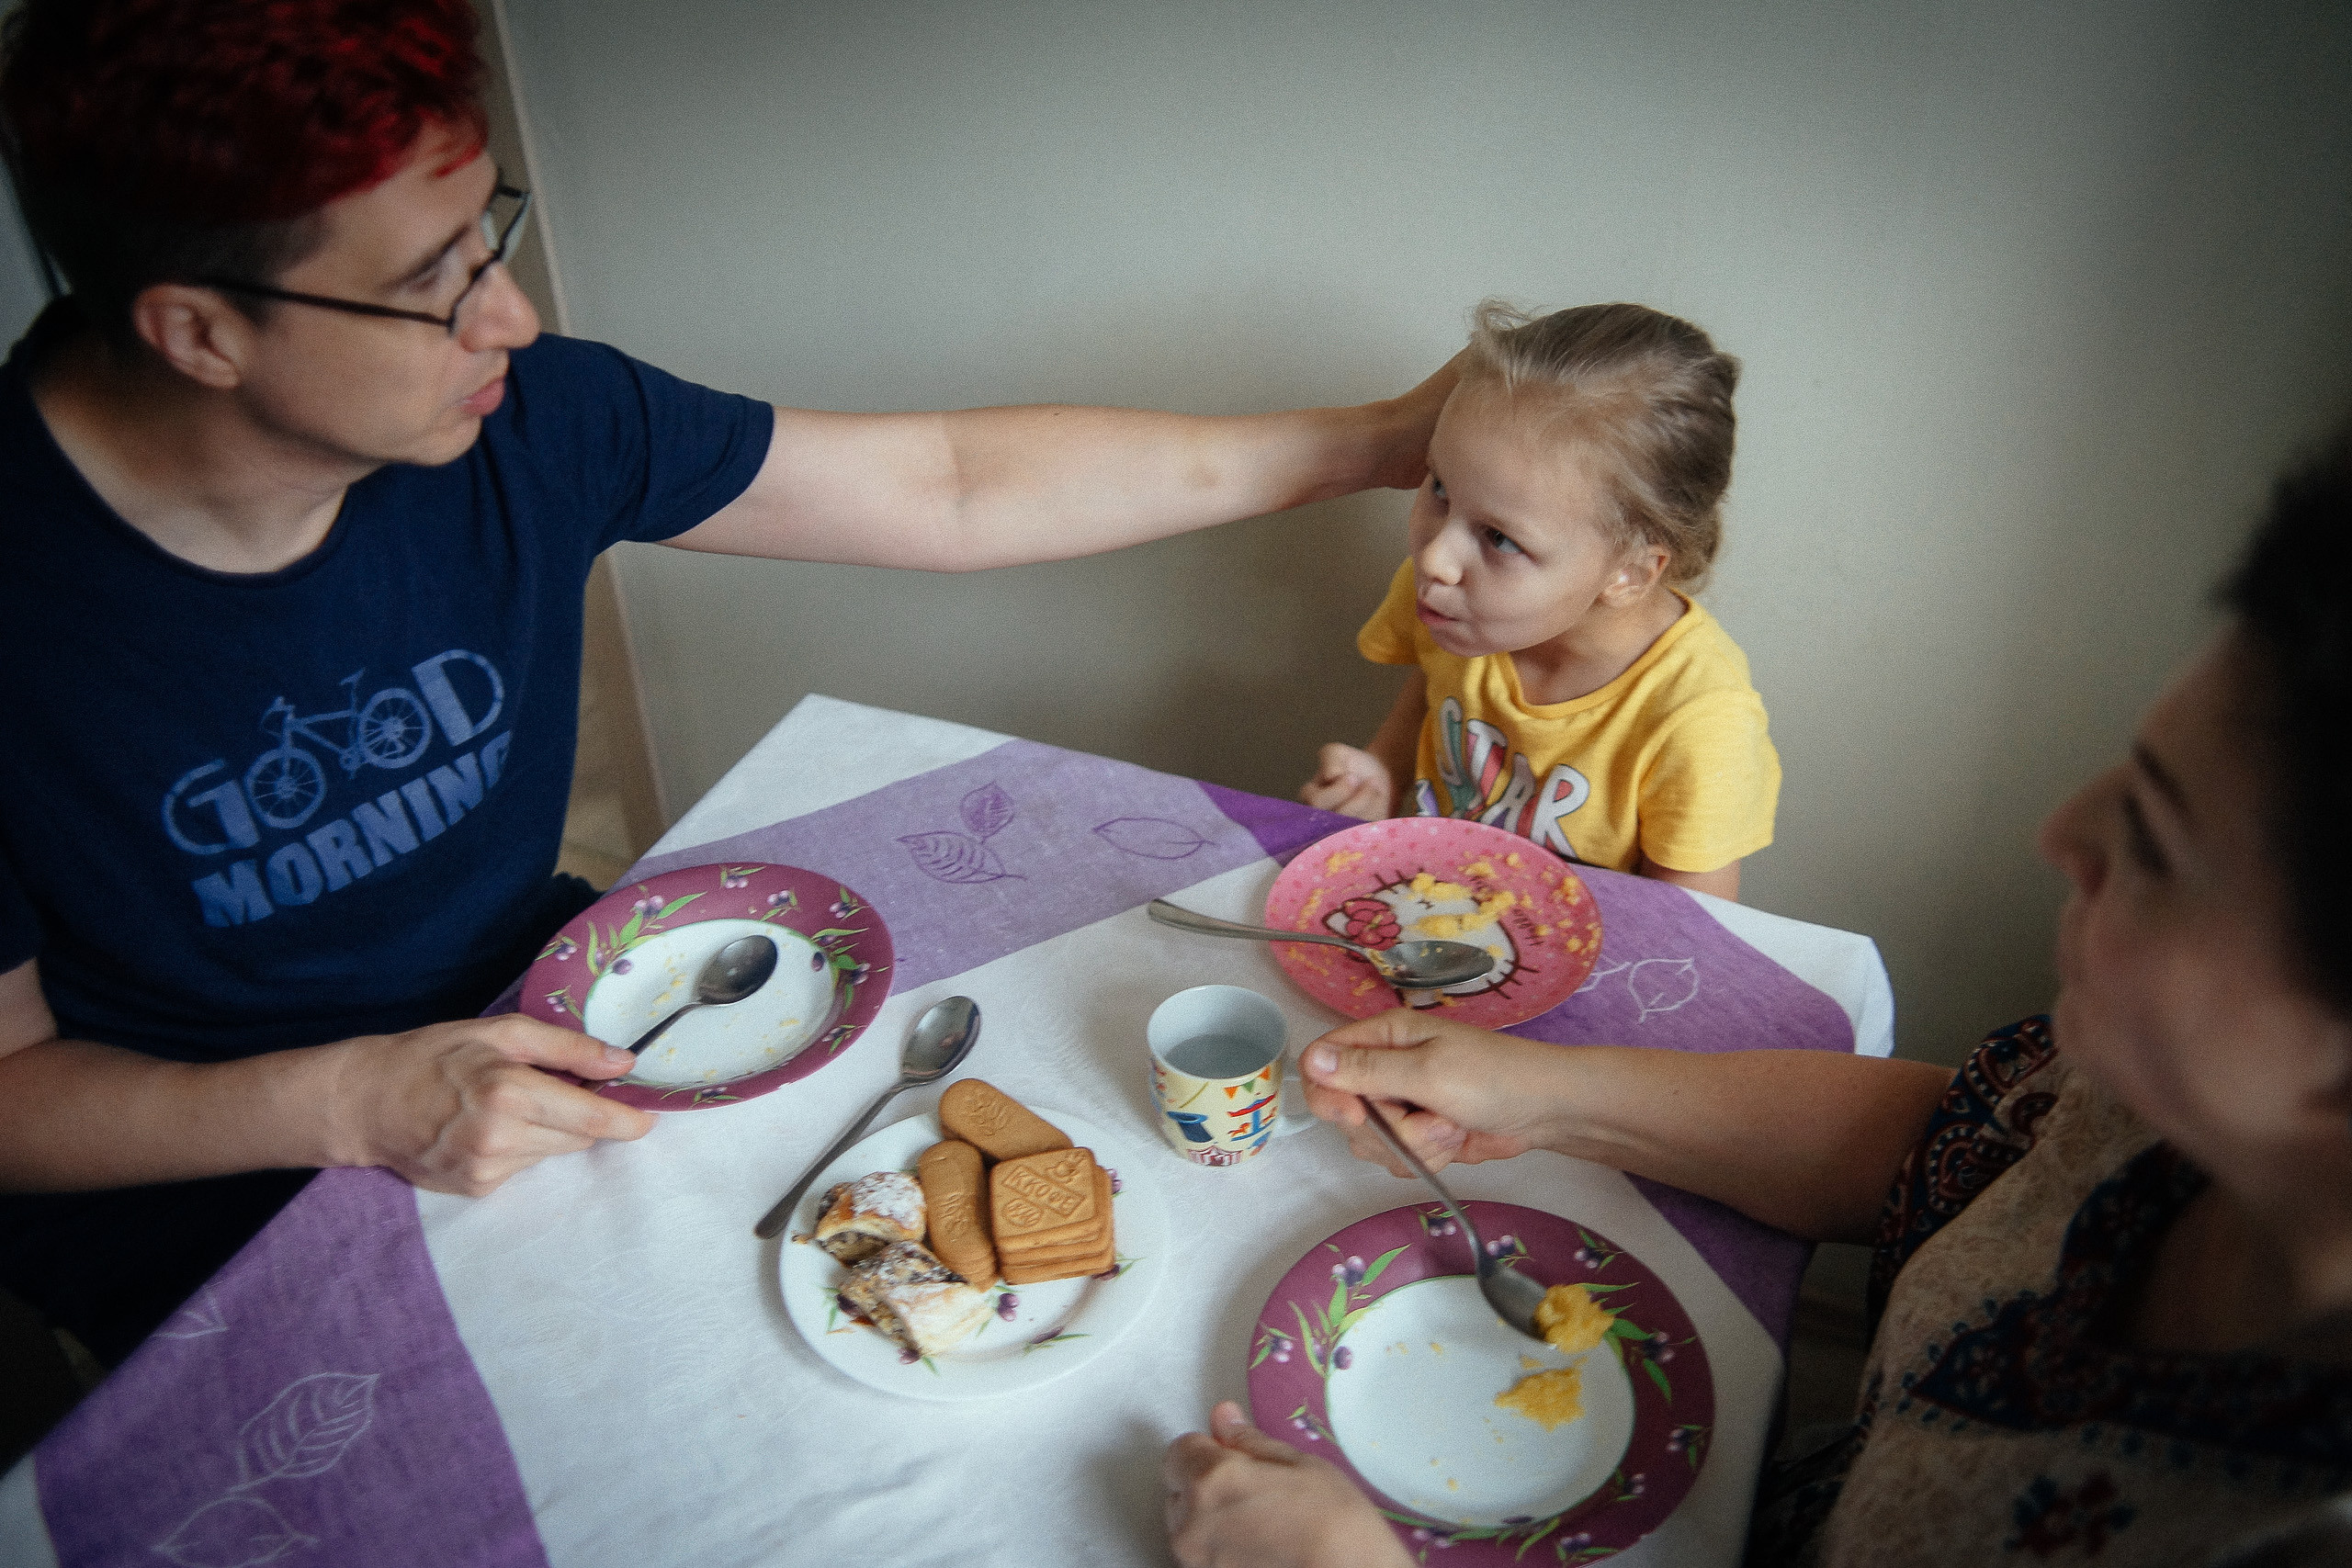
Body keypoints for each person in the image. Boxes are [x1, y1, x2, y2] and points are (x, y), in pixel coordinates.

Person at [0, 0, 1454, 1364]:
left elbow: (946, 486)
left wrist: (1380, 443)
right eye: (429, 285)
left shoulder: (527, 416)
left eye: (482, 237)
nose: (507, 317)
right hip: (213, 1198)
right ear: (198, 329)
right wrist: (354, 1097)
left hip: (567, 1038)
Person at [1170, 432, 2352, 1564]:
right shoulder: (2138, 1110)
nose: (2061, 834)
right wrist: (1533, 1092)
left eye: (2152, 839)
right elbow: (1954, 1156)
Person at [1299, 301, 1778, 900]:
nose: (1435, 558)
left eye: (1499, 537)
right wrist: (1374, 782)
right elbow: (1427, 703)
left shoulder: (1699, 725)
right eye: (1440, 487)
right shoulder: (1455, 608)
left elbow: (1686, 944)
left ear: (1629, 572)